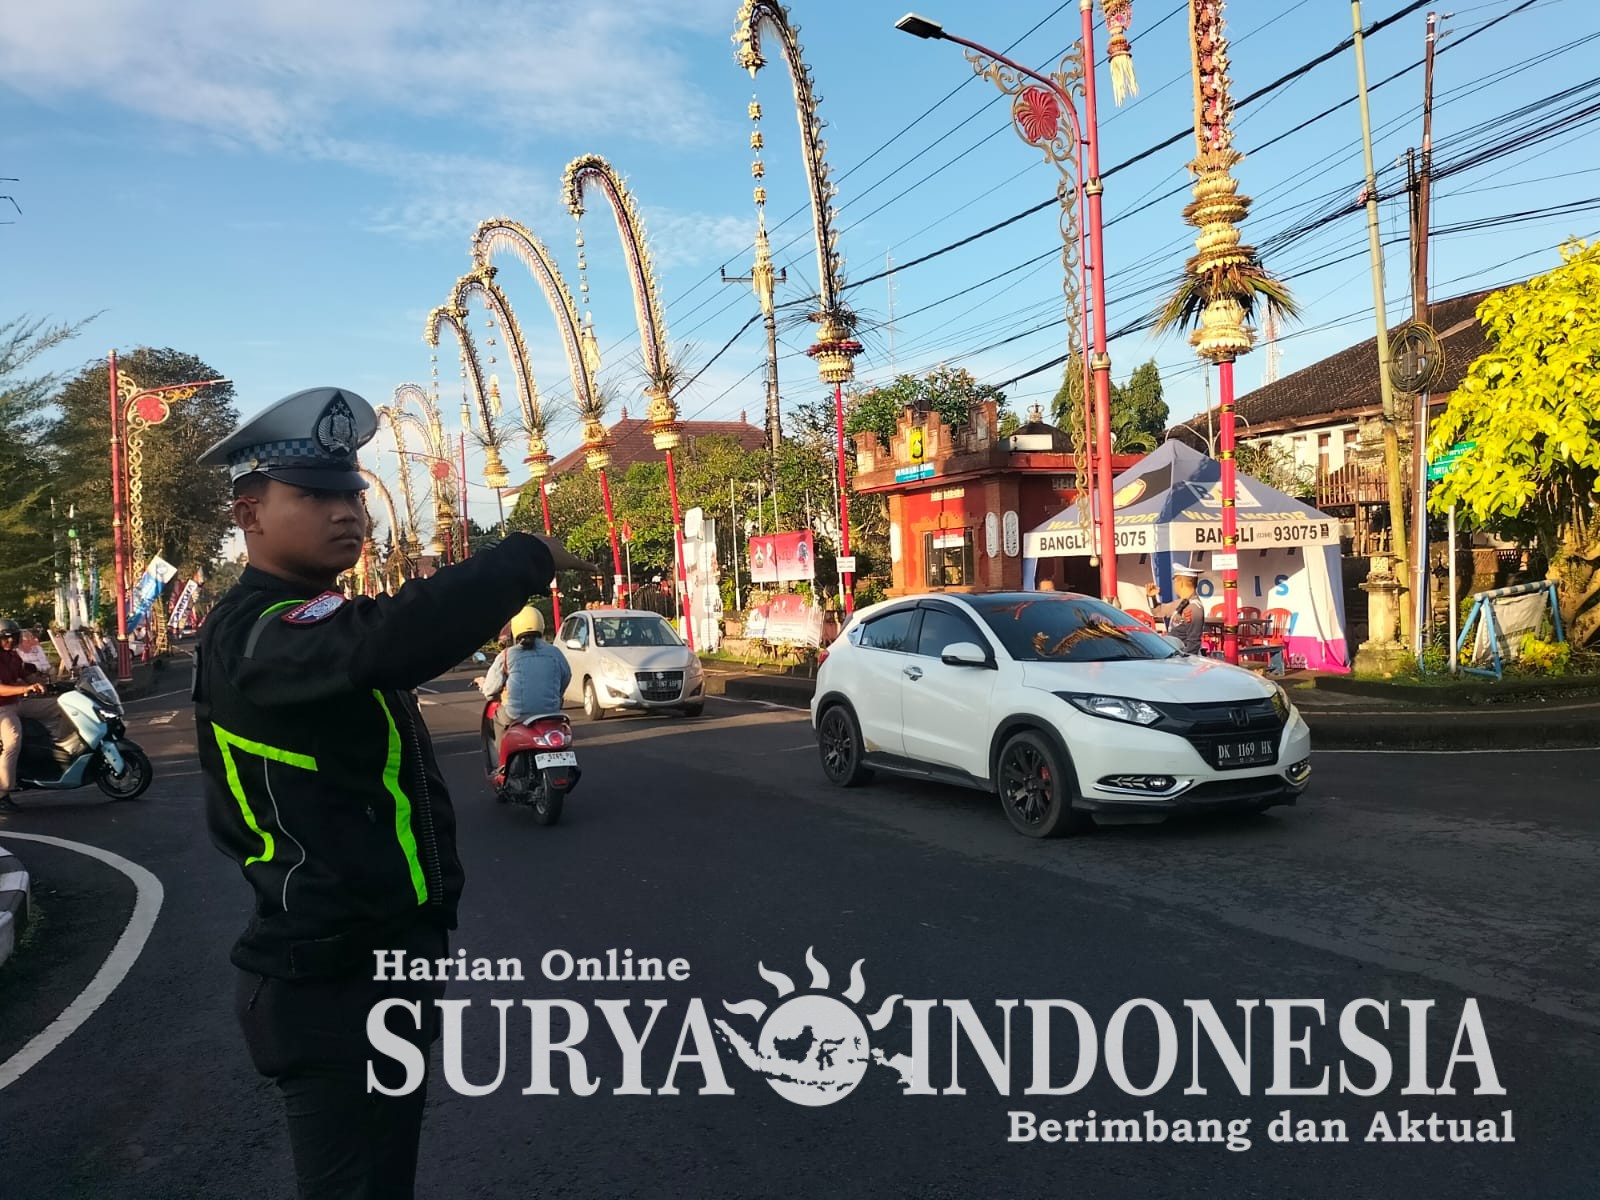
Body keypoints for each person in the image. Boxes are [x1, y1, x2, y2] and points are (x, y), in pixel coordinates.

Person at [191, 387, 563, 1199]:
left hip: (375, 964)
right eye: (313, 495)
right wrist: (523, 558)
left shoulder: (315, 616)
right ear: (249, 514)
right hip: (328, 977)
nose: (346, 511)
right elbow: (390, 638)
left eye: (353, 494)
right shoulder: (257, 628)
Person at [479, 605, 570, 754]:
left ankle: (502, 761)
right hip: (552, 713)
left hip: (516, 715)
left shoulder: (507, 655)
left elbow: (490, 689)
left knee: (496, 720)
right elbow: (566, 676)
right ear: (541, 625)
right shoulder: (555, 653)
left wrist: (483, 684)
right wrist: (557, 695)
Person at [0, 618, 49, 812]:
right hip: (2, 709)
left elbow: (26, 675)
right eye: (5, 637)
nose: (10, 641)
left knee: (61, 706)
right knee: (12, 741)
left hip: (17, 703)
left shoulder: (13, 656)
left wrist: (41, 682)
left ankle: (66, 754)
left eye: (13, 637)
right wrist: (25, 688)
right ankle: (2, 793)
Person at [1146, 564, 1206, 655]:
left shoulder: (1193, 607)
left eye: (1175, 581)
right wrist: (1152, 597)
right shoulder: (1182, 602)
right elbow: (1158, 611)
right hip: (1175, 653)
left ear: (1180, 583)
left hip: (1182, 656)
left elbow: (1193, 643)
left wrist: (1185, 660)